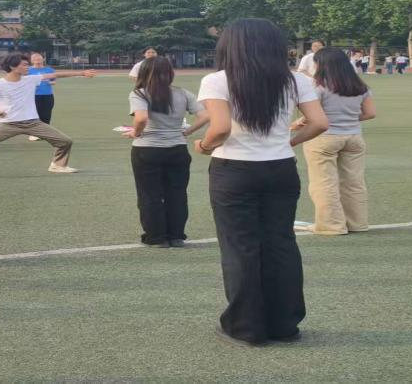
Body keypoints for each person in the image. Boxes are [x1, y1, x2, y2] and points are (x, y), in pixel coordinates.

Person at [195, 18, 329, 346]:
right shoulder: (296, 80)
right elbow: (319, 123)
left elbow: (220, 128)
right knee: (280, 243)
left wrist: (204, 145)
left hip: (234, 170)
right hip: (280, 167)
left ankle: (246, 327)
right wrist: (288, 142)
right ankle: (285, 325)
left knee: (240, 247)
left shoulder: (217, 81)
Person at [124, 57, 209, 247]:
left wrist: (135, 133)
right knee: (177, 193)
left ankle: (156, 237)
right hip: (177, 148)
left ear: (144, 73)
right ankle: (176, 236)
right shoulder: (183, 93)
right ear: (170, 73)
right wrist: (187, 132)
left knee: (149, 195)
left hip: (147, 149)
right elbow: (205, 116)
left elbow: (141, 118)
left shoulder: (139, 93)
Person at [296, 48, 375, 235]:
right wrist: (347, 118)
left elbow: (314, 115)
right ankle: (357, 223)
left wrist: (300, 122)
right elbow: (370, 113)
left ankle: (331, 225)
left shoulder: (318, 86)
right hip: (353, 137)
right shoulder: (360, 86)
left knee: (324, 183)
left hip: (324, 138)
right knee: (354, 183)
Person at [0, 53, 97, 173]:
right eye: (24, 65)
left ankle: (58, 165)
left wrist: (81, 73)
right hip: (8, 124)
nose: (28, 67)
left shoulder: (31, 79)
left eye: (28, 64)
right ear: (12, 66)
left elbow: (55, 75)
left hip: (33, 123)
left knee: (64, 141)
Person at [26, 52, 57, 142]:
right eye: (36, 59)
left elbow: (54, 82)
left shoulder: (49, 70)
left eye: (39, 59)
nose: (38, 61)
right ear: (32, 61)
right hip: (34, 96)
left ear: (43, 59)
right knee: (35, 115)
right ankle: (34, 133)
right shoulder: (28, 71)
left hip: (48, 95)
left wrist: (48, 82)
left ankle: (45, 133)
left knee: (46, 114)